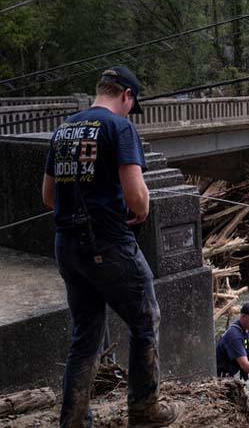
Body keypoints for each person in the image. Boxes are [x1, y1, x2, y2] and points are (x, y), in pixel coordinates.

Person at [41, 66, 182, 427]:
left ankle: (73, 420)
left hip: (67, 246)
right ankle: (145, 407)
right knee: (146, 318)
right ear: (126, 95)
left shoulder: (63, 130)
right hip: (107, 242)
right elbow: (136, 196)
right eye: (130, 104)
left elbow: (47, 195)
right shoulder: (120, 127)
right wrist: (140, 207)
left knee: (84, 335)